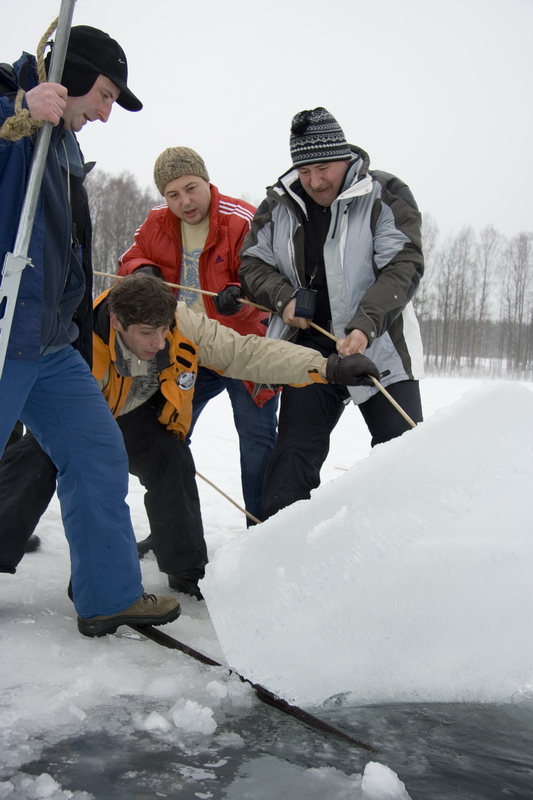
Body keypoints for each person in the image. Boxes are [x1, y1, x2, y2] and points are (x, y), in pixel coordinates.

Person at [0, 273, 381, 600]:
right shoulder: (76, 336)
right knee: (37, 458)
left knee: (172, 458)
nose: (160, 343)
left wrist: (327, 367)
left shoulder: (182, 322)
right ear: (117, 323)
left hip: (137, 415)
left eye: (164, 330)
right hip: (81, 414)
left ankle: (187, 571)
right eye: (148, 334)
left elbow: (246, 354)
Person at [0, 25, 179, 637]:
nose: (105, 113)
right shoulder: (9, 96)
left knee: (98, 453)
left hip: (48, 343)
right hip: (2, 334)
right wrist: (17, 110)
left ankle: (107, 595)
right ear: (71, 75)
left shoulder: (68, 151)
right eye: (103, 95)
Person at [239, 107, 425, 521]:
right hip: (312, 354)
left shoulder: (384, 193)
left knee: (404, 453)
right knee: (290, 464)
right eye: (304, 170)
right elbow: (251, 264)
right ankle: (277, 559)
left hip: (379, 348)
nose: (315, 181)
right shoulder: (278, 205)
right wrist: (284, 298)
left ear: (346, 157)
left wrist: (364, 325)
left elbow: (403, 264)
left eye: (324, 167)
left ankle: (407, 554)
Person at [117, 147, 278, 526]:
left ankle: (261, 535)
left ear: (206, 181)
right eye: (173, 195)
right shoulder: (157, 222)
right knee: (167, 437)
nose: (184, 202)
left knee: (257, 444)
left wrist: (240, 300)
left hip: (244, 350)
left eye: (191, 188)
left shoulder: (241, 220)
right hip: (187, 351)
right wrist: (145, 271)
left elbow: (269, 282)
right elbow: (129, 257)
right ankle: (173, 536)